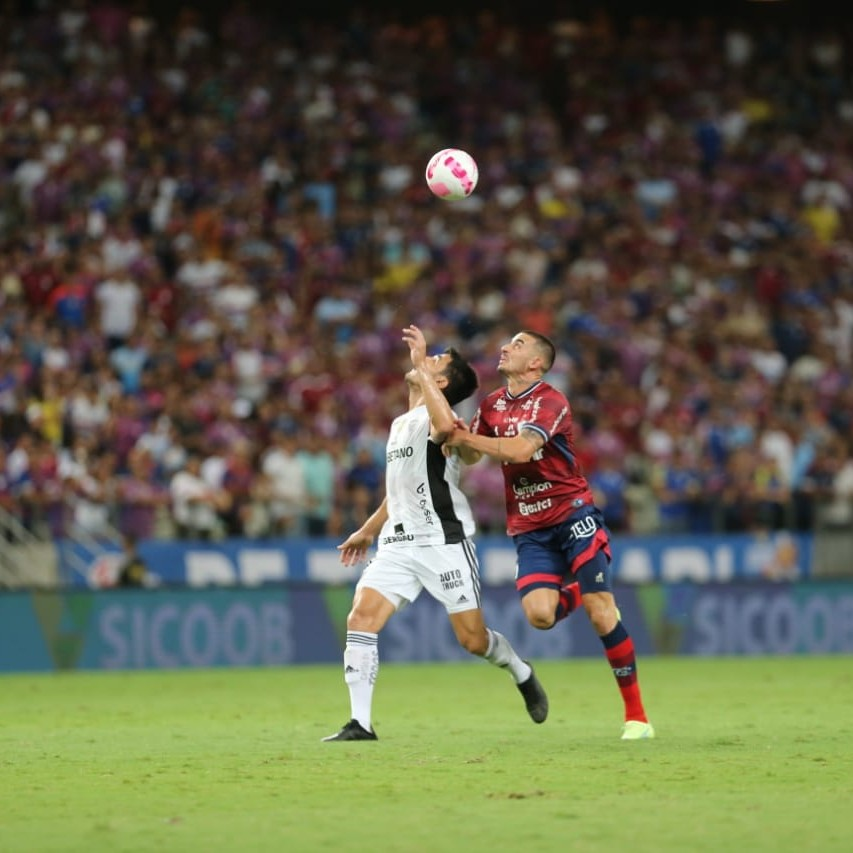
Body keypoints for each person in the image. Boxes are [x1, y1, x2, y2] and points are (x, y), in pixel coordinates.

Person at [323, 324, 548, 742]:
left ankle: (519, 669)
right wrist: (368, 530)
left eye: (435, 361)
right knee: (361, 617)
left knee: (473, 640)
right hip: (398, 544)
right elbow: (400, 491)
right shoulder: (401, 423)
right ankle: (360, 723)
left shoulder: (441, 417)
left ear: (440, 382)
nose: (425, 360)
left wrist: (421, 367)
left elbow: (446, 428)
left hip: (443, 543)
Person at [444, 330, 654, 740]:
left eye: (518, 344)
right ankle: (577, 592)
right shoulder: (491, 404)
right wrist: (457, 436)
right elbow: (470, 455)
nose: (505, 347)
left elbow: (521, 450)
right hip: (530, 527)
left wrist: (466, 438)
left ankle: (637, 717)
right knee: (540, 616)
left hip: (573, 515)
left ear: (536, 362)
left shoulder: (551, 401)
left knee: (602, 615)